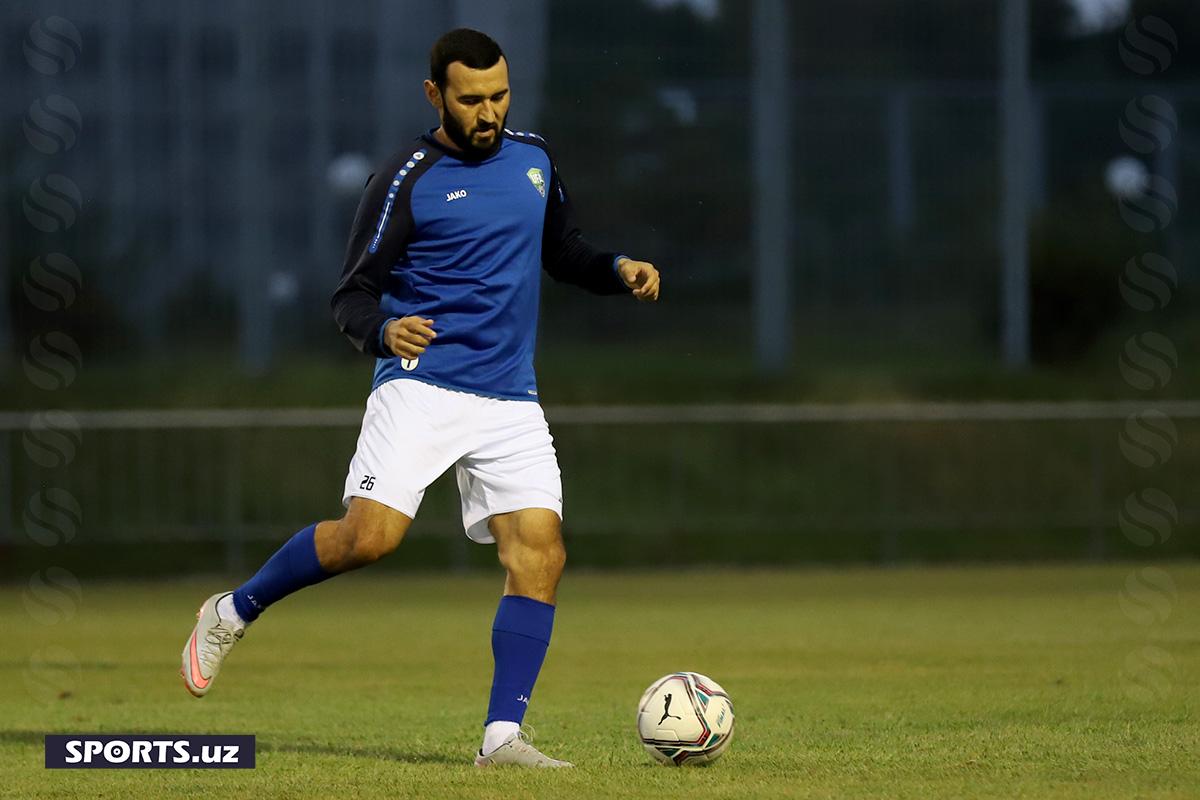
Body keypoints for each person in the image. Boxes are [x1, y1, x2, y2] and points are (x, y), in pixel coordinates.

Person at [179, 28, 661, 768]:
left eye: (499, 95)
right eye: (472, 99)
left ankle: (502, 738)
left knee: (540, 554)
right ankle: (233, 609)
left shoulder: (534, 159)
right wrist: (384, 331)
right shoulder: (404, 178)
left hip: (509, 397)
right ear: (436, 95)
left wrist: (617, 266)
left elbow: (562, 250)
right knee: (367, 540)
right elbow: (350, 296)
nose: (489, 111)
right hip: (422, 386)